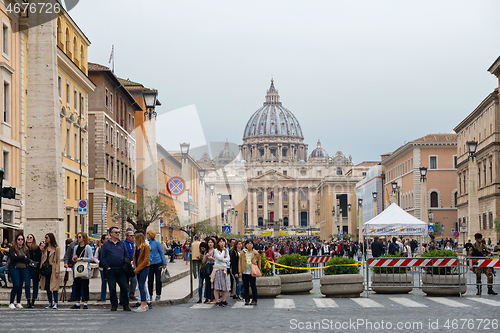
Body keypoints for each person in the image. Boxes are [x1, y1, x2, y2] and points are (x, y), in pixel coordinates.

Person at [100, 226, 131, 311]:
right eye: (116, 232)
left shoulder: (122, 244)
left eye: (118, 232)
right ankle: (114, 304)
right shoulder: (106, 245)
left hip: (121, 269)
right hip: (111, 269)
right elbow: (103, 257)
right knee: (112, 288)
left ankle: (125, 305)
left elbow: (126, 256)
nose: (118, 234)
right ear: (111, 234)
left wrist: (125, 265)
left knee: (124, 287)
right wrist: (108, 267)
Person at [71, 232, 93, 309]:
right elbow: (73, 258)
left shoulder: (88, 247)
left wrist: (82, 258)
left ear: (84, 238)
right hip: (77, 268)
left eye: (79, 237)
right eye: (77, 237)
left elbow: (91, 258)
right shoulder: (76, 247)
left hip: (85, 268)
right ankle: (77, 302)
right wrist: (74, 258)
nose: (78, 238)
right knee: (77, 286)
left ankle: (85, 302)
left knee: (85, 286)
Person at [8, 234, 30, 310]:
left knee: (20, 285)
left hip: (24, 269)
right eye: (19, 239)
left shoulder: (26, 249)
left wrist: (19, 258)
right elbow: (13, 258)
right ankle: (11, 302)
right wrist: (23, 257)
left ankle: (18, 302)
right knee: (16, 285)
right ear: (16, 240)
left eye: (22, 239)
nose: (20, 241)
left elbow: (28, 260)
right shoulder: (12, 248)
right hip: (15, 268)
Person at [40, 233, 60, 309]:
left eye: (47, 238)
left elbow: (58, 260)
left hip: (53, 269)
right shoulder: (45, 247)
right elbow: (42, 258)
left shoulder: (56, 248)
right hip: (45, 269)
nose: (46, 239)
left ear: (51, 238)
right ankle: (50, 303)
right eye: (45, 237)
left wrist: (57, 271)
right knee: (47, 286)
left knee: (54, 287)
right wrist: (40, 270)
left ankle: (56, 303)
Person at [239, 239, 261, 306]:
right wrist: (240, 271)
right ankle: (247, 299)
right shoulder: (243, 252)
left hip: (252, 272)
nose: (249, 245)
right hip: (245, 271)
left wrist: (258, 270)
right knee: (245, 286)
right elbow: (240, 262)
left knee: (253, 286)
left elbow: (259, 262)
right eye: (248, 243)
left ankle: (254, 299)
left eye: (251, 243)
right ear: (245, 245)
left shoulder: (256, 253)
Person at [132, 232, 150, 313]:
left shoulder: (146, 246)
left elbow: (146, 259)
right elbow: (135, 258)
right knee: (140, 285)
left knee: (141, 285)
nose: (134, 239)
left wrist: (138, 268)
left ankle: (143, 304)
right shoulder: (136, 247)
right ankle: (145, 303)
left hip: (144, 267)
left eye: (135, 238)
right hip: (138, 268)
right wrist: (135, 268)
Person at [146, 230, 166, 301]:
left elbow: (161, 252)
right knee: (150, 279)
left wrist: (164, 263)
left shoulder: (157, 242)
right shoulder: (146, 243)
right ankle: (150, 294)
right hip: (149, 263)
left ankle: (158, 294)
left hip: (157, 262)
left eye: (147, 234)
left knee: (158, 279)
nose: (146, 235)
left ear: (151, 235)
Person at [212, 237, 231, 307]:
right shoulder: (216, 250)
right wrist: (223, 251)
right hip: (218, 270)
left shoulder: (226, 250)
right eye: (220, 241)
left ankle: (223, 300)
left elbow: (228, 259)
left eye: (223, 241)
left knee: (225, 286)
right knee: (217, 287)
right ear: (218, 243)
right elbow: (219, 258)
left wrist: (223, 257)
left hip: (224, 269)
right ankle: (217, 301)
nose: (222, 243)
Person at [26, 234, 42, 308]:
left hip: (35, 268)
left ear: (33, 239)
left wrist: (39, 271)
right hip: (27, 268)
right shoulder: (24, 248)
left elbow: (39, 259)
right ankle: (28, 301)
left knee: (35, 285)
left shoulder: (36, 248)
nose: (29, 238)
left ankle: (33, 301)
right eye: (27, 237)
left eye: (30, 237)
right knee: (27, 284)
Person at [93, 234, 109, 302]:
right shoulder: (99, 248)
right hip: (102, 268)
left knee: (111, 283)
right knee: (104, 283)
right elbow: (95, 257)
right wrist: (99, 262)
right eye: (106, 239)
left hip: (110, 267)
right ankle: (103, 297)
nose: (108, 240)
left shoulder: (111, 247)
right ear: (103, 240)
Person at [124, 231, 137, 301]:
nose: (132, 237)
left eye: (133, 235)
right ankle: (127, 294)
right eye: (131, 235)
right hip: (127, 264)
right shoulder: (124, 244)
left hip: (134, 264)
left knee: (134, 280)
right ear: (127, 237)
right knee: (127, 280)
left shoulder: (134, 244)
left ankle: (132, 294)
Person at [202, 238, 215, 304]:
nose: (210, 243)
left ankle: (213, 297)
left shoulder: (216, 251)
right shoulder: (206, 251)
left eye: (211, 242)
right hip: (207, 267)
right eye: (209, 242)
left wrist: (212, 258)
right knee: (207, 282)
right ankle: (207, 297)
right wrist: (206, 257)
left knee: (213, 283)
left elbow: (218, 261)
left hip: (214, 267)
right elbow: (204, 262)